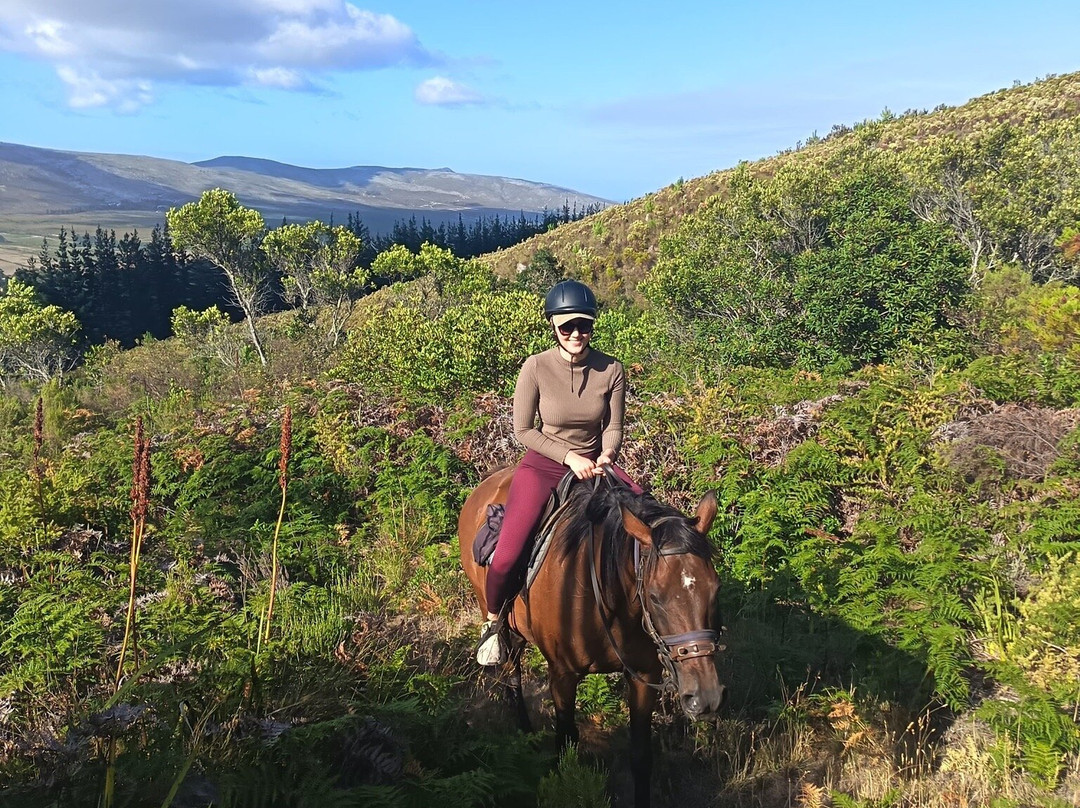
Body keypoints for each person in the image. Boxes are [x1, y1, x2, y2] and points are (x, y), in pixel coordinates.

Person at [477, 279, 642, 665]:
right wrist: (569, 457)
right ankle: (491, 621)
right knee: (508, 554)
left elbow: (614, 425)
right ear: (553, 326)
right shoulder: (535, 367)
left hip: (596, 464)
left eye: (583, 325)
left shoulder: (611, 369)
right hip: (545, 464)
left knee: (648, 520)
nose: (575, 334)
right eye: (566, 326)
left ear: (593, 326)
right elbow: (524, 430)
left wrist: (607, 454)